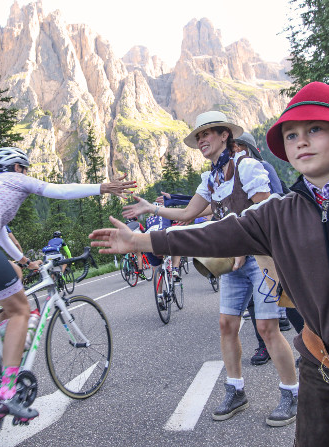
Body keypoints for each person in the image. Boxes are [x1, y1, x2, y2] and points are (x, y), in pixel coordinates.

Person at [90, 82, 329, 446]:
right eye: (291, 134)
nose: (301, 141)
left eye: (315, 129)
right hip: (323, 372)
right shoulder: (277, 214)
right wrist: (140, 240)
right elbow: (212, 233)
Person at [122, 110, 299, 426]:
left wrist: (244, 246)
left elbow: (266, 212)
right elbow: (188, 213)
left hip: (261, 259)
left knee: (268, 329)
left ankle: (291, 392)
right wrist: (152, 208)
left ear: (224, 136)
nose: (201, 140)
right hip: (232, 261)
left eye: (207, 134)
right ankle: (236, 390)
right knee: (226, 325)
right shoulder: (212, 177)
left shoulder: (247, 167)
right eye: (198, 136)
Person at [0, 146, 135, 421]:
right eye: (25, 169)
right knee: (21, 310)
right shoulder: (16, 179)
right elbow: (60, 191)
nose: (26, 174)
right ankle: (7, 394)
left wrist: (26, 261)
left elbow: (1, 235)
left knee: (7, 291)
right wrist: (102, 187)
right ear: (18, 168)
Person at [232, 132, 305, 366]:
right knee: (257, 301)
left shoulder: (261, 167)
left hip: (272, 241)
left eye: (237, 147)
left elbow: (276, 199)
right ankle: (263, 346)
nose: (233, 152)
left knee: (287, 294)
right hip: (250, 242)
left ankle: (314, 347)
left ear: (247, 149)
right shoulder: (230, 177)